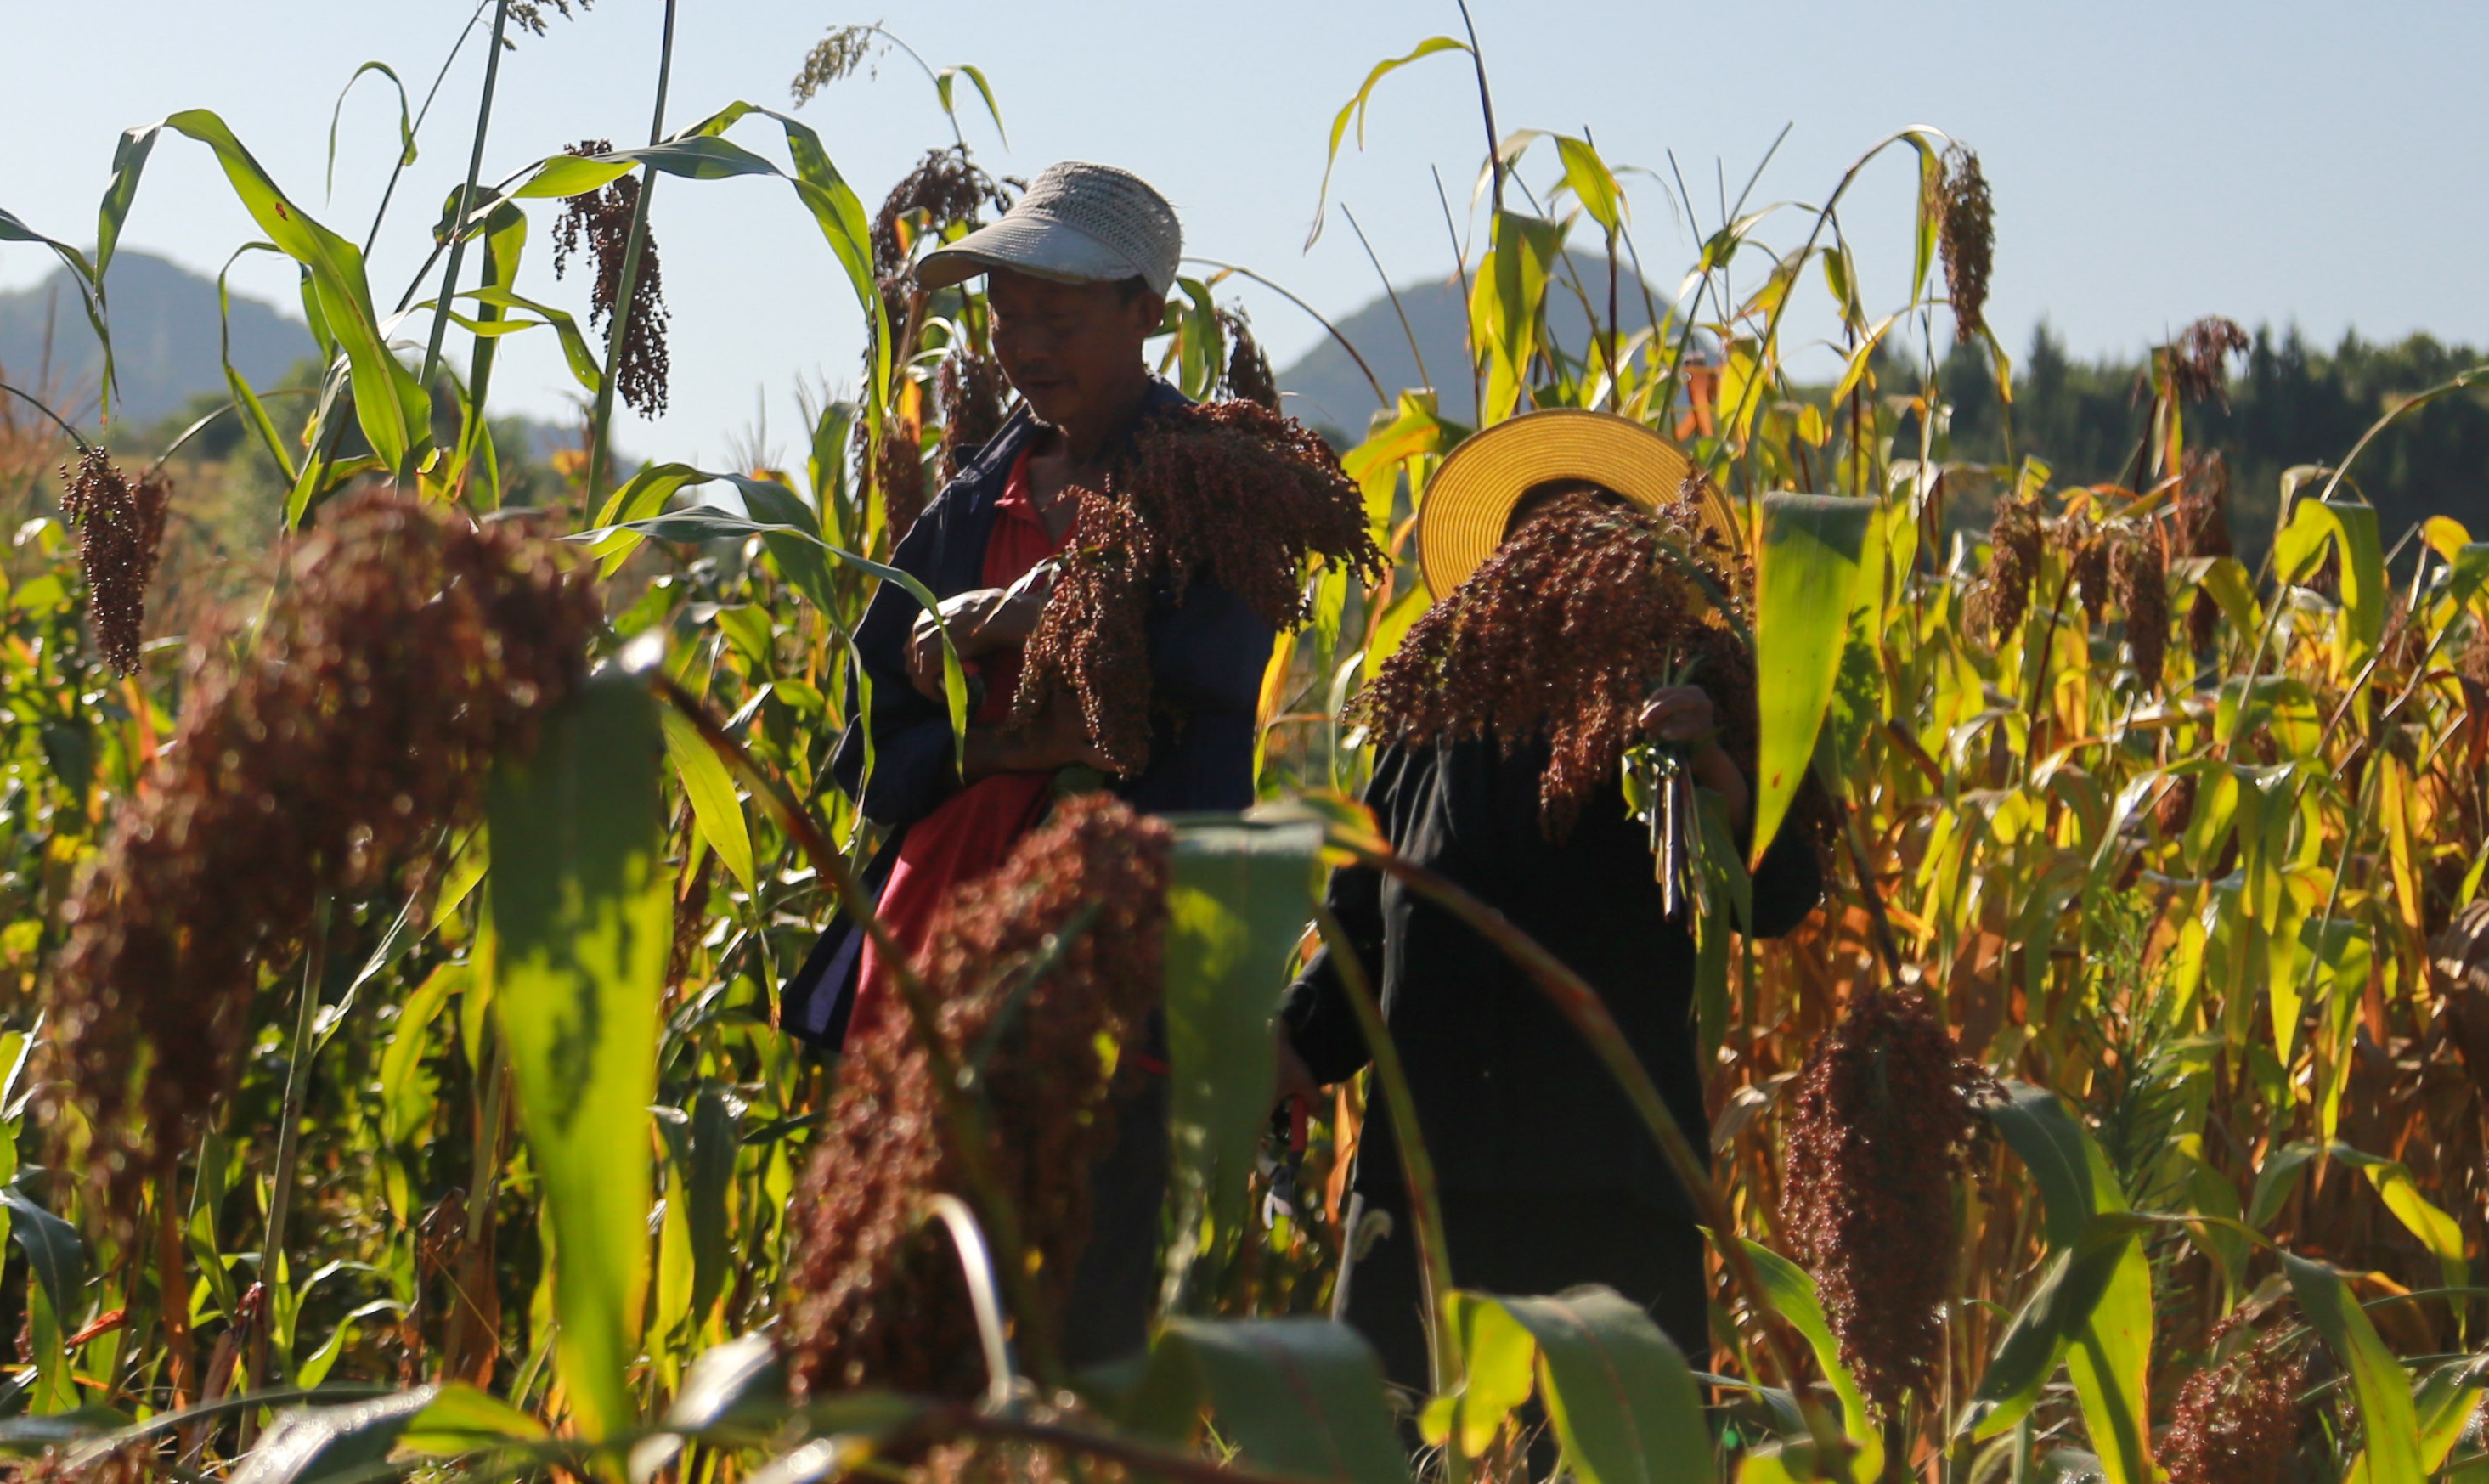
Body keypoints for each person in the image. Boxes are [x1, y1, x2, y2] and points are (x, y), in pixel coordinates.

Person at [782, 161, 1273, 1363]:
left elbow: (1184, 710)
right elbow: (877, 715)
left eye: (1060, 317)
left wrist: (996, 655)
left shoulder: (1215, 492)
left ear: (1145, 316)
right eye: (1007, 315)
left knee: (1088, 1268)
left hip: (1108, 929)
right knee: (915, 1253)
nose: (1024, 344)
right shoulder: (970, 499)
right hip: (943, 915)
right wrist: (1002, 707)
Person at [1283, 411, 1826, 1391]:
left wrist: (1716, 774)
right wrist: (1286, 1050)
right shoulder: (1432, 718)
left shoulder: (1690, 694)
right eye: (1538, 536)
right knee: (1388, 1480)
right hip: (1425, 1171)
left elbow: (1778, 895)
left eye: (1595, 533)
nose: (1563, 559)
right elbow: (1365, 925)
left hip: (1607, 1179)